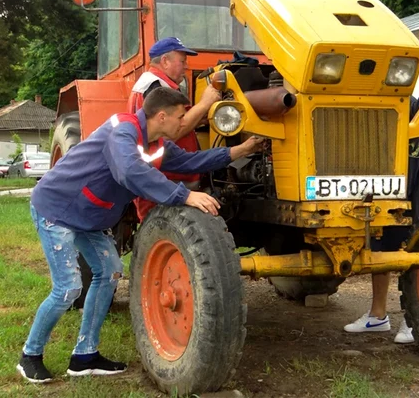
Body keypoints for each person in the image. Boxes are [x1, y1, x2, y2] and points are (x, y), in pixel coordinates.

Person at [17, 87, 263, 384]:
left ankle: (84, 357)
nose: (183, 123)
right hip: (57, 209)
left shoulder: (156, 143)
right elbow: (130, 172)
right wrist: (183, 195)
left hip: (88, 217)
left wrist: (241, 150)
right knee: (68, 288)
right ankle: (29, 356)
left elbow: (190, 162)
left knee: (109, 273)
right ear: (162, 116)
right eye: (181, 117)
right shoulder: (122, 132)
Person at [343, 97, 419, 344]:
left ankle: (413, 320)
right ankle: (378, 315)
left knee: (413, 251)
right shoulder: (357, 101)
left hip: (403, 192)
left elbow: (412, 155)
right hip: (373, 188)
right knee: (379, 249)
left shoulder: (406, 102)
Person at [131, 37, 222, 219]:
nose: (186, 67)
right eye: (182, 61)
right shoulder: (155, 87)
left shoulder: (156, 84)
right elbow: (174, 130)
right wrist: (204, 104)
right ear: (165, 61)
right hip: (167, 178)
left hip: (168, 177)